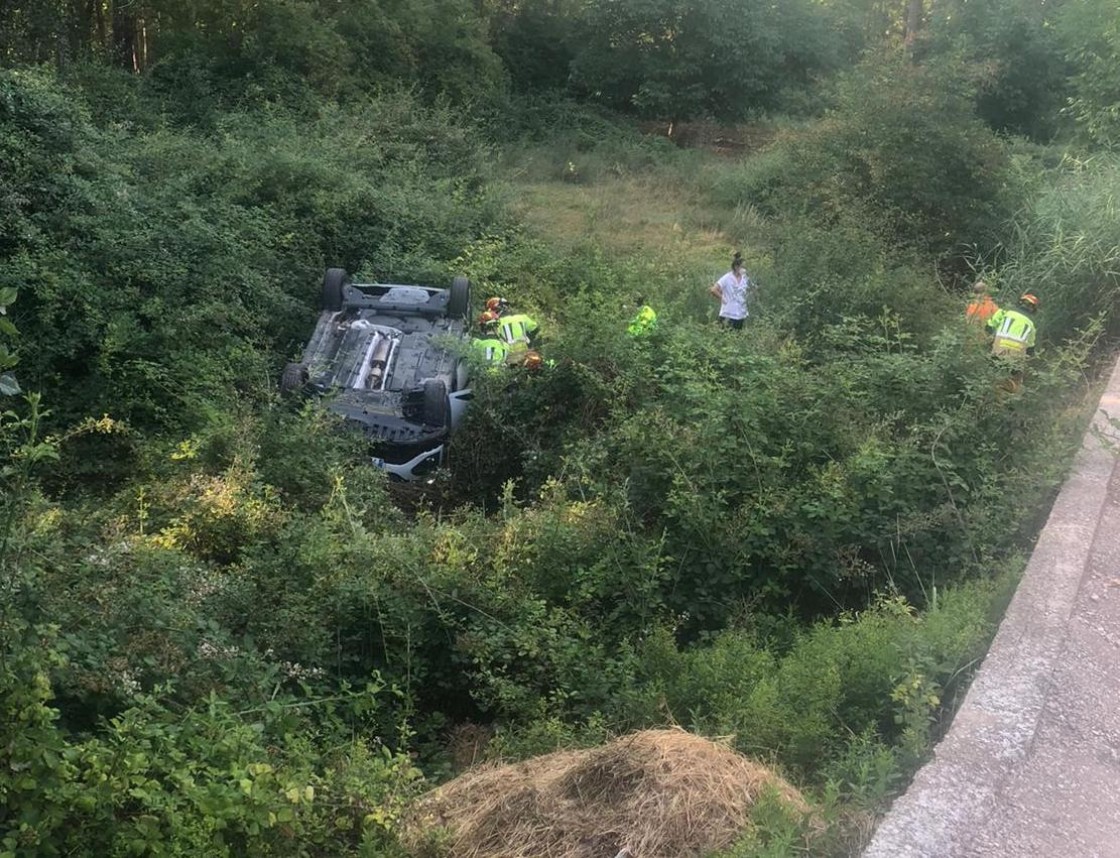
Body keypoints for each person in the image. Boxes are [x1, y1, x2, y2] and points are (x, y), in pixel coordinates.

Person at [986, 293, 1039, 357]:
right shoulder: (1031, 324)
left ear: (1020, 302)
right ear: (1033, 309)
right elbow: (1030, 347)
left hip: (998, 348)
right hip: (1016, 356)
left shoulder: (1005, 311)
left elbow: (989, 326)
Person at [709, 252, 752, 330]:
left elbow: (751, 289)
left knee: (737, 337)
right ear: (736, 267)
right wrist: (722, 298)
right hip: (728, 313)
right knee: (725, 335)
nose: (744, 269)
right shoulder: (727, 278)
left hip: (741, 313)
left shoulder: (745, 278)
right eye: (742, 267)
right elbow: (713, 289)